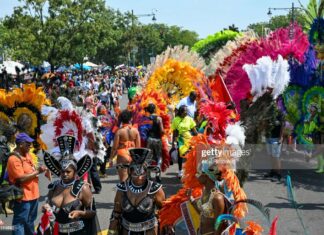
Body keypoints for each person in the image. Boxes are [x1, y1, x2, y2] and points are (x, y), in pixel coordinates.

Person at [41, 135, 97, 235]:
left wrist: (80, 213)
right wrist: (45, 208)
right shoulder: (54, 186)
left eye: (68, 171)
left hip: (78, 232)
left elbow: (92, 213)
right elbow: (49, 205)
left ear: (75, 172)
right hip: (57, 231)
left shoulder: (83, 188)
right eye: (62, 171)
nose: (65, 174)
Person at [108, 148, 165, 235]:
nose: (139, 178)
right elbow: (116, 213)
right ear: (130, 173)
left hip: (150, 231)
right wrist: (111, 232)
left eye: (142, 174)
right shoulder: (122, 189)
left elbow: (164, 211)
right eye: (135, 174)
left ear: (147, 172)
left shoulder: (155, 189)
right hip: (127, 231)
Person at [6, 133, 47, 235]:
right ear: (20, 144)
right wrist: (38, 171)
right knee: (19, 222)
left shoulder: (27, 154)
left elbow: (31, 168)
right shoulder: (13, 159)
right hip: (23, 197)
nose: (30, 146)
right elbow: (20, 179)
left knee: (30, 220)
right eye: (28, 144)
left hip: (34, 194)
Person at [110, 110, 141, 182]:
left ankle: (124, 193)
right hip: (133, 154)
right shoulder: (135, 131)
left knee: (123, 179)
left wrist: (111, 158)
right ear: (130, 119)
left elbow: (114, 147)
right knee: (133, 179)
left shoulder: (119, 131)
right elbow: (138, 147)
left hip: (122, 155)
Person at [171, 105, 198, 178]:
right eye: (184, 111)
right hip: (181, 140)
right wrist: (173, 142)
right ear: (180, 112)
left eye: (187, 111)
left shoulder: (189, 119)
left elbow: (194, 130)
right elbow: (175, 132)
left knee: (191, 156)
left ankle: (190, 171)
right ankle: (180, 171)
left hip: (190, 139)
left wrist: (199, 138)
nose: (186, 113)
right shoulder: (175, 120)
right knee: (181, 155)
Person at [144, 104, 164, 182]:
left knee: (148, 157)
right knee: (159, 157)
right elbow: (162, 130)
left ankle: (148, 176)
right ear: (155, 109)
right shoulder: (159, 119)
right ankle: (158, 175)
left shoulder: (146, 119)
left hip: (149, 139)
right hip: (157, 139)